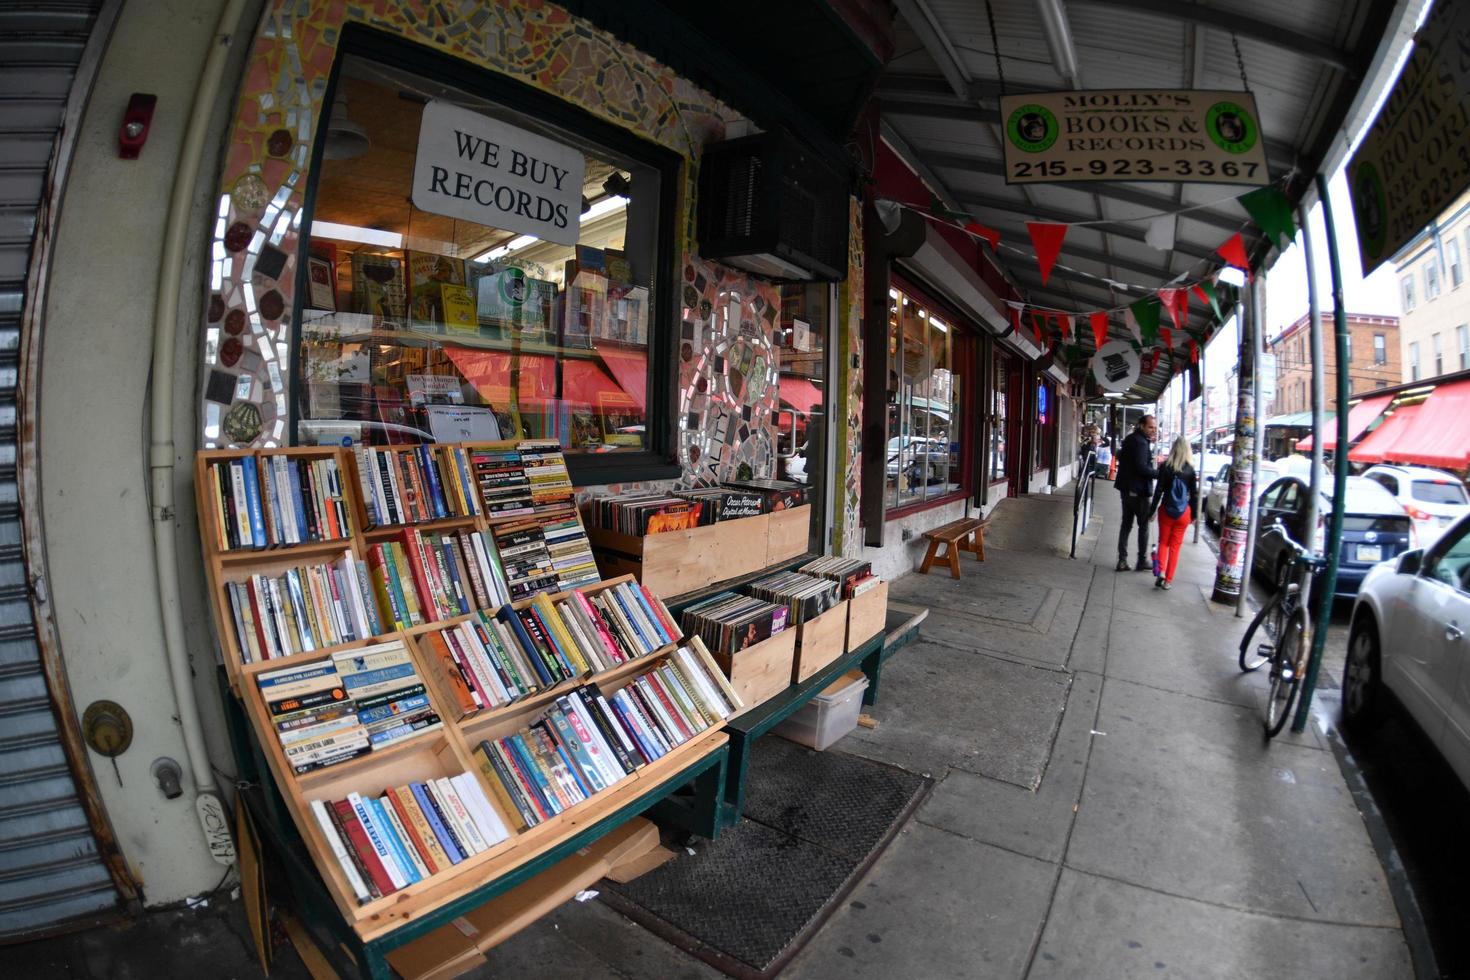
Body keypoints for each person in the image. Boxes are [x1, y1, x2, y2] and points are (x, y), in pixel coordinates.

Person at [1149, 436, 1200, 590]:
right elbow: (1194, 494)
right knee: (1175, 547)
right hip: (1183, 513)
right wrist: (1195, 516)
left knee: (1163, 543)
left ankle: (1161, 572)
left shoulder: (1166, 466)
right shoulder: (1190, 470)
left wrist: (1152, 511)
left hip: (1166, 511)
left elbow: (1158, 491)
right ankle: (1168, 581)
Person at [1114, 414, 1157, 571]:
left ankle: (1122, 560)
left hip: (1126, 489)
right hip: (1138, 491)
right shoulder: (1141, 443)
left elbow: (1120, 456)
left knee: (1126, 524)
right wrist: (1159, 474)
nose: (1153, 430)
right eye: (1150, 427)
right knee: (1143, 526)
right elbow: (1141, 468)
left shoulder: (1131, 439)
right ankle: (1141, 560)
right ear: (1141, 426)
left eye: (1154, 427)